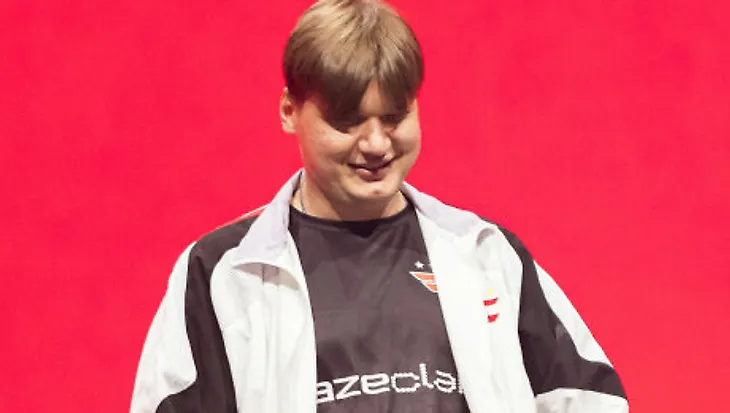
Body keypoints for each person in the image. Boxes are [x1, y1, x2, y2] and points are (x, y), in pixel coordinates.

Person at [130, 0, 628, 412]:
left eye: (394, 117)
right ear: (289, 111)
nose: (375, 144)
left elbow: (589, 399)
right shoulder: (222, 273)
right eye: (347, 122)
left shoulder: (486, 255)